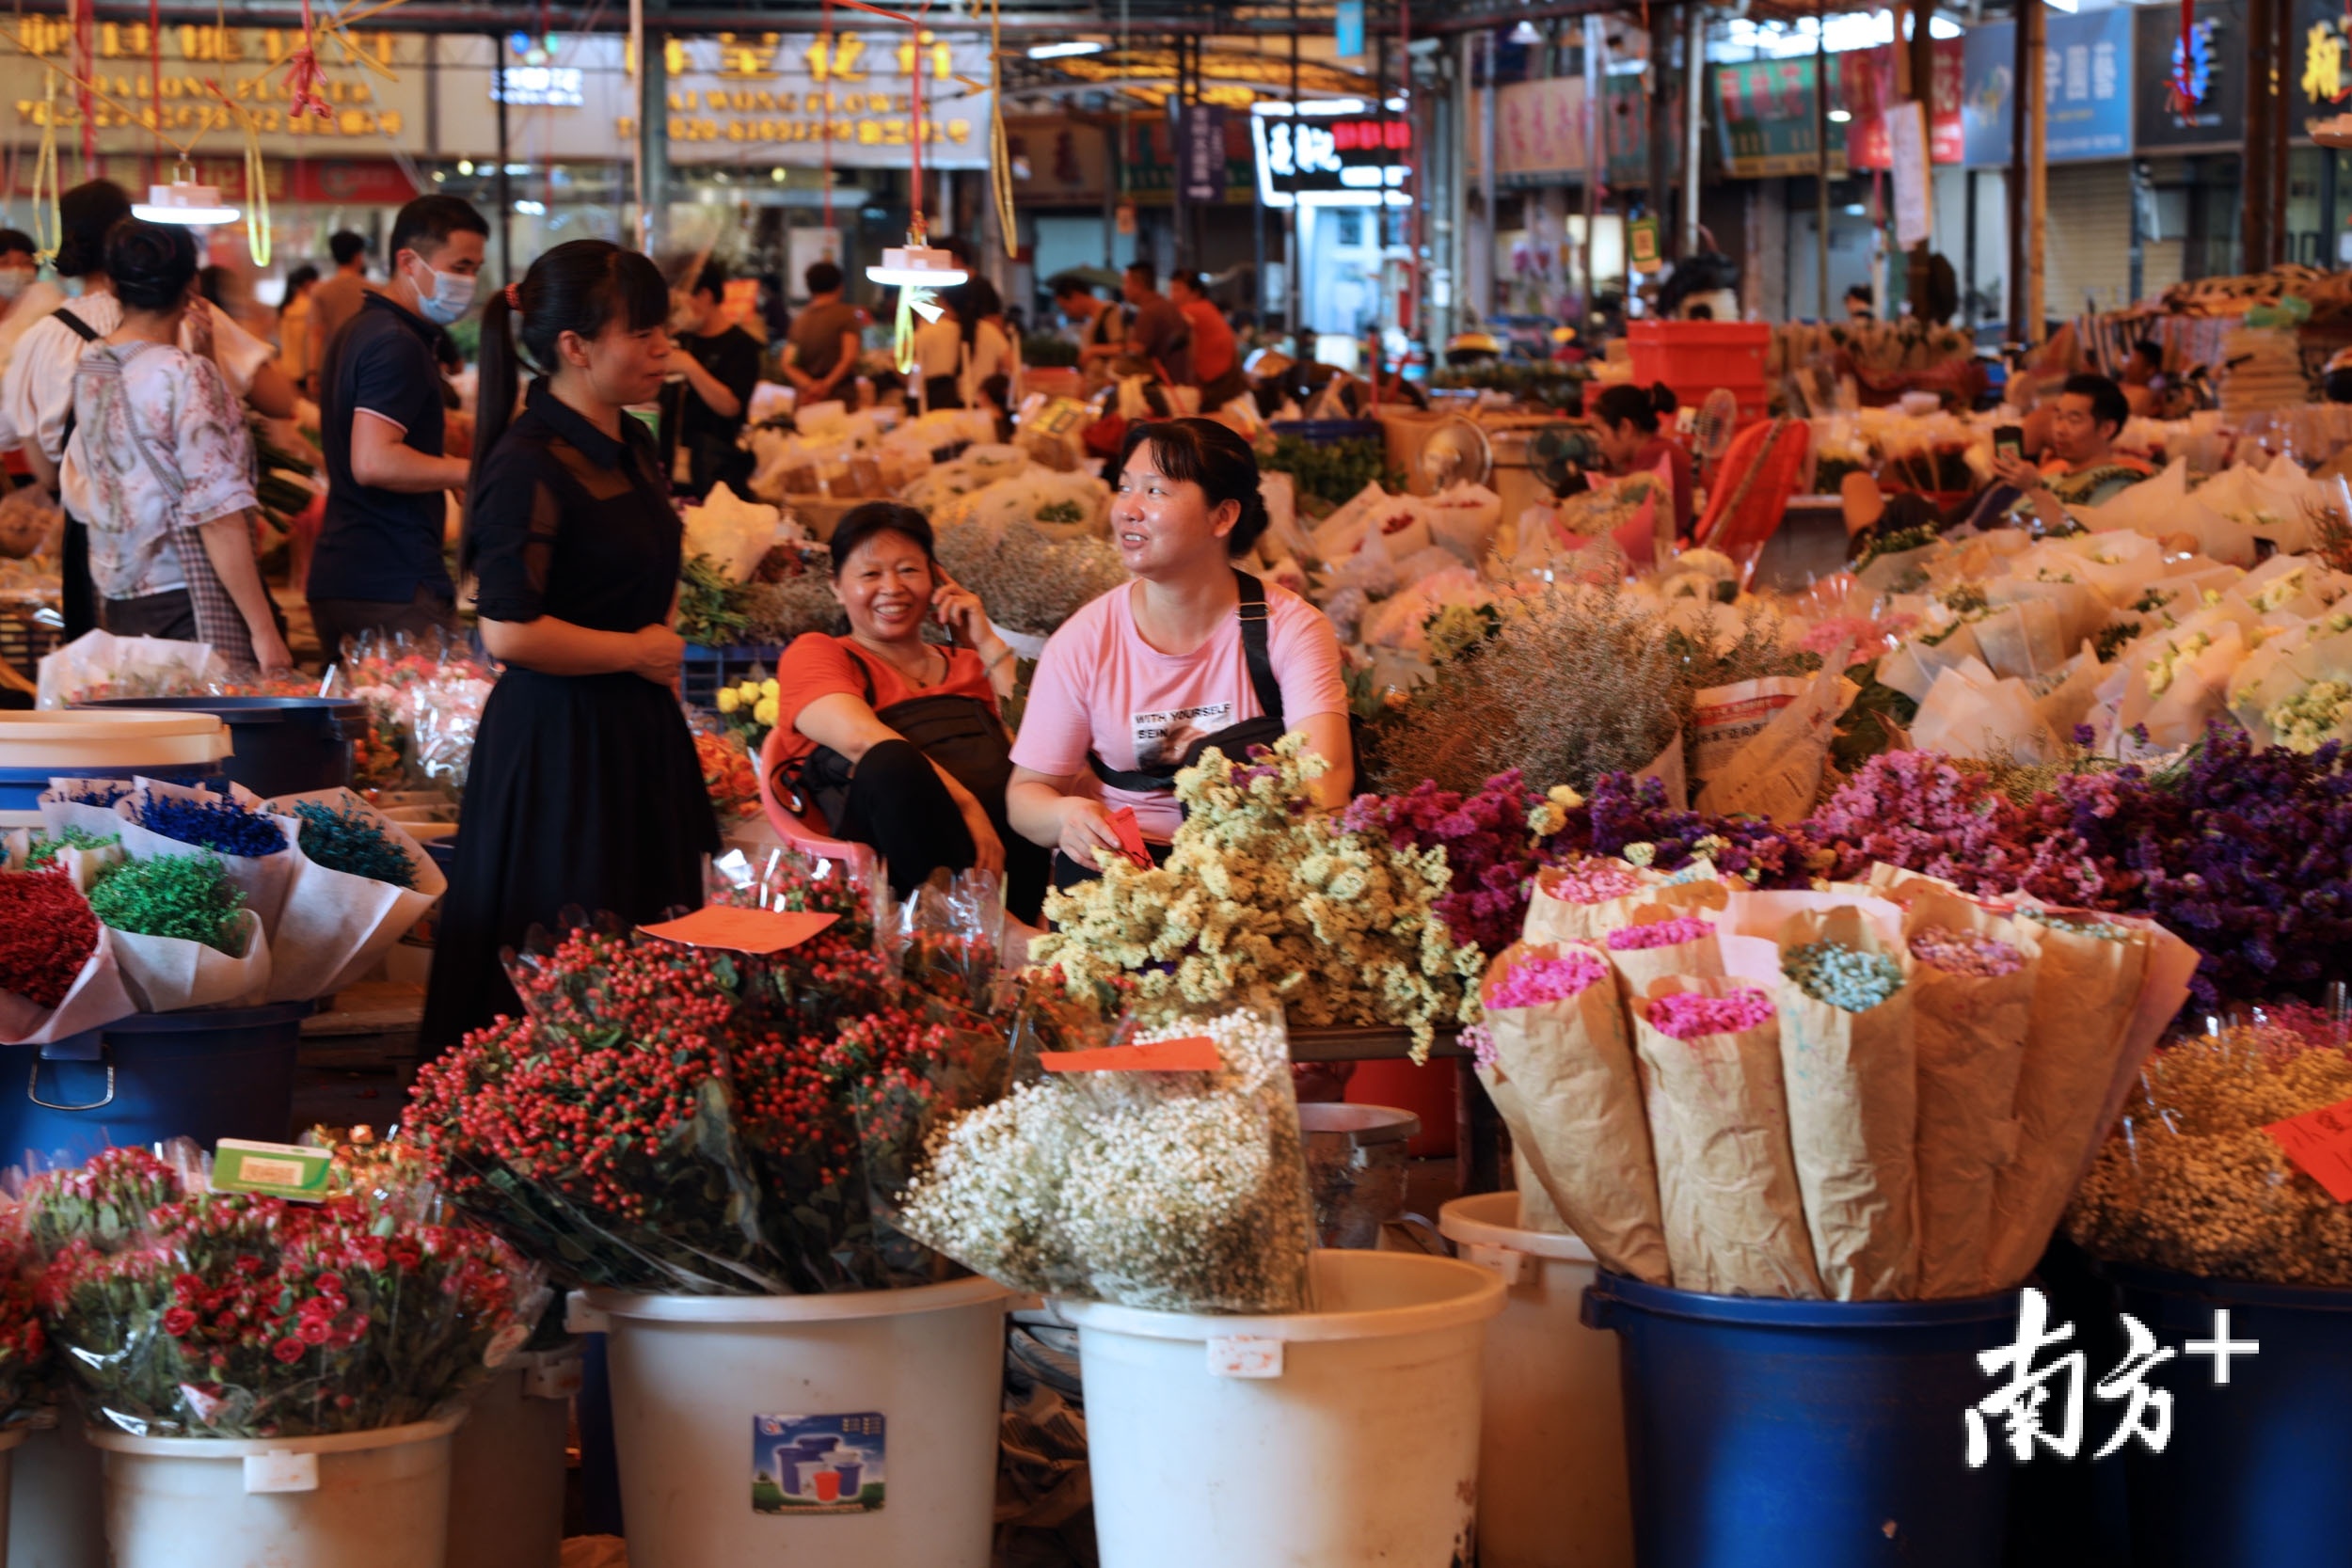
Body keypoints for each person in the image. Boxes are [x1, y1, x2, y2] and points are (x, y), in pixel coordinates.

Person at [421, 239, 717, 1051]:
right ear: (574, 348)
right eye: (643, 334)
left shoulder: (633, 441)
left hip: (636, 734)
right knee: (565, 966)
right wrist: (636, 652)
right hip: (560, 747)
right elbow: (508, 630)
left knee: (648, 952)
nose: (663, 350)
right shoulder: (528, 464)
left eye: (664, 331)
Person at [1007, 418, 1350, 882]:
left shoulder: (1290, 628)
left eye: (1156, 491)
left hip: (1255, 861)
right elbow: (1026, 794)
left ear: (1223, 516)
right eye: (1125, 487)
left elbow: (1324, 781)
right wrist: (1065, 815)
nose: (1128, 509)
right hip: (1129, 867)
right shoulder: (1084, 642)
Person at [1, 180, 291, 639]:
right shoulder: (192, 346)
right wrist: (264, 631)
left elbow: (48, 469)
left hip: (106, 563)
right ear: (189, 281)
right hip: (188, 574)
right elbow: (278, 409)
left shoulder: (74, 355)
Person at [769, 500, 1046, 919]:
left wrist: (986, 642)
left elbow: (1042, 745)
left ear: (936, 578)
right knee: (890, 761)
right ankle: (989, 930)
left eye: (908, 570)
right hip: (895, 882)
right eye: (870, 574)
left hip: (1011, 871)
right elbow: (862, 740)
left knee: (1030, 772)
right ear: (836, 585)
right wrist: (966, 804)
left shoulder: (972, 665)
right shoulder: (818, 654)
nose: (892, 587)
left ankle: (1019, 923)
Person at [69, 218, 288, 673]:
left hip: (120, 595)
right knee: (206, 739)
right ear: (192, 284)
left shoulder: (92, 367)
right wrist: (264, 631)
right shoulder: (185, 374)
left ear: (111, 284)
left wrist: (204, 359)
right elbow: (217, 511)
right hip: (187, 598)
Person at [307, 195, 486, 661]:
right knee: (435, 730)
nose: (468, 282)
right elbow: (374, 460)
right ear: (409, 261)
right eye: (460, 266)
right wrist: (469, 471)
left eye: (475, 270)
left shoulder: (361, 329)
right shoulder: (395, 343)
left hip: (349, 574)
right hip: (390, 583)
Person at [1845, 372, 2150, 553]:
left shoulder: (2116, 481)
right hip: (1966, 533)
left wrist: (2036, 490)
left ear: (2107, 429)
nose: (2058, 428)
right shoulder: (2052, 468)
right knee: (1870, 489)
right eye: (2058, 415)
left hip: (1990, 549)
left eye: (2074, 419)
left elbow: (2085, 542)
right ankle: (1865, 557)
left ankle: (1863, 559)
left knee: (1897, 510)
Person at [661, 261, 760, 499]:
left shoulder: (742, 345)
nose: (677, 312)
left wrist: (690, 367)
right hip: (668, 470)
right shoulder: (678, 340)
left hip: (716, 473)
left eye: (680, 301)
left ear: (705, 296)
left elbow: (731, 407)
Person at [1589, 382, 1694, 542]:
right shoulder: (1656, 449)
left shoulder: (1654, 457)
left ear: (1625, 427)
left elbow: (1633, 527)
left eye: (1601, 434)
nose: (1600, 444)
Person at [785, 260, 861, 406]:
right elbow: (849, 357)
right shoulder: (846, 316)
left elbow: (788, 364)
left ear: (810, 288)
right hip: (839, 401)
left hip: (806, 402)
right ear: (840, 287)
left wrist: (810, 386)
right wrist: (825, 385)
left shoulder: (799, 321)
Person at [305, 230, 371, 398]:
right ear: (358, 256)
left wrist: (312, 372)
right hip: (368, 365)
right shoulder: (374, 291)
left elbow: (316, 334)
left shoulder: (320, 291)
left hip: (333, 366)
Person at [1171, 271, 1244, 407]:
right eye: (1171, 289)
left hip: (1217, 379)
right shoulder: (1207, 307)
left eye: (1177, 289)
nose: (1172, 295)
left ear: (1195, 293)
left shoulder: (1190, 310)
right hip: (1227, 374)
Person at [1120, 261, 1192, 387]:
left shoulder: (1148, 312)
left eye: (1126, 283)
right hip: (1182, 383)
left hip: (1163, 386)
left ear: (1138, 285)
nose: (1123, 288)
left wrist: (1104, 351)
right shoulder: (1168, 306)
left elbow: (1137, 350)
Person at [1054, 275, 1127, 381]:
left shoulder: (1110, 312)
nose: (1067, 313)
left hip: (1107, 387)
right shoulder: (1089, 322)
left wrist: (1092, 351)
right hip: (1093, 389)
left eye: (1065, 307)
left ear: (1076, 296)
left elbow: (1119, 348)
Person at [277, 263, 320, 391]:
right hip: (304, 371)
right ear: (308, 282)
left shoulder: (287, 306)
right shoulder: (309, 307)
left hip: (287, 368)